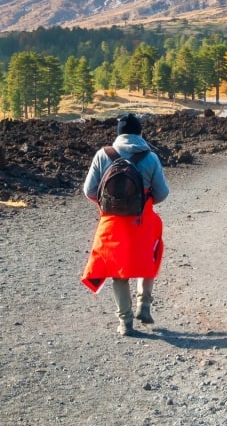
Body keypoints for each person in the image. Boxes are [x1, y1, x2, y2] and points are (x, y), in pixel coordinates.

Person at [80, 113, 170, 336]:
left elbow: (89, 191)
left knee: (117, 270)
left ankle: (125, 322)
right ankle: (144, 305)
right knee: (148, 257)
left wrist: (108, 205)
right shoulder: (150, 158)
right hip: (143, 219)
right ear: (140, 133)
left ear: (118, 133)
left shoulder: (103, 155)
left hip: (112, 222)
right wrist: (143, 203)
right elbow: (162, 192)